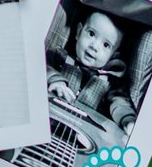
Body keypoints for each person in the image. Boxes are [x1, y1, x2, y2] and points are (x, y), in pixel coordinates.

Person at [46, 9, 136, 137]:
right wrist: (55, 80)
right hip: (50, 119)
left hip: (83, 136)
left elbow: (119, 103)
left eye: (106, 45)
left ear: (113, 56)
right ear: (78, 32)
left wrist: (127, 120)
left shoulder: (111, 82)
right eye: (92, 34)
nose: (94, 46)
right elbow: (43, 66)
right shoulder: (60, 57)